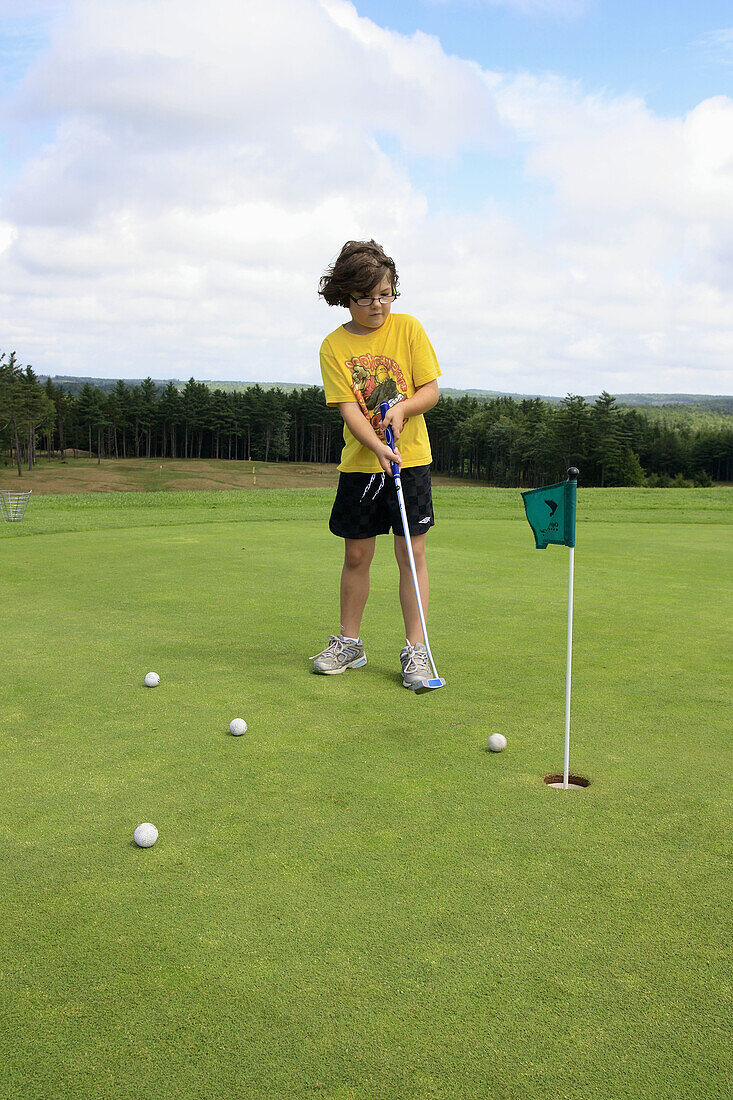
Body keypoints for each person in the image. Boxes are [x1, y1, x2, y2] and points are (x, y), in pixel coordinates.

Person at [310, 239, 441, 688]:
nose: (377, 305)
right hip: (362, 465)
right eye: (365, 298)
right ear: (344, 296)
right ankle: (350, 643)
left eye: (384, 294)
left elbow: (430, 390)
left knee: (412, 554)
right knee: (357, 554)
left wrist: (403, 410)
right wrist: (377, 446)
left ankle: (417, 652)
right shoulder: (333, 346)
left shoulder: (410, 329)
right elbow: (349, 409)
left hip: (412, 460)